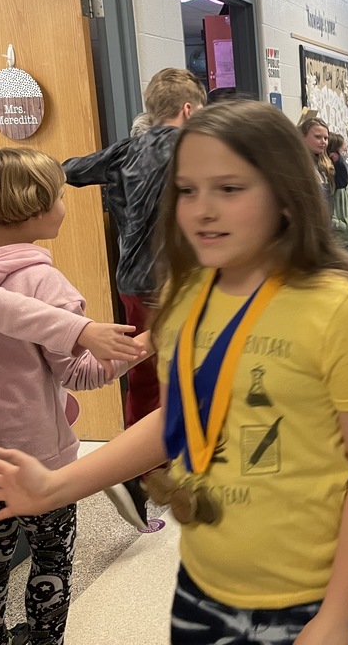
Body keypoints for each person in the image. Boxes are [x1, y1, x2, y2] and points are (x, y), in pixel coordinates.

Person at [0, 100, 348, 645]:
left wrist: (335, 615)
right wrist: (55, 486)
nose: (202, 209)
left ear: (285, 195)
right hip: (205, 586)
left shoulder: (342, 308)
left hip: (310, 595)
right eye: (187, 190)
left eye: (230, 189)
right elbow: (180, 419)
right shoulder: (189, 297)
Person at [0, 148, 152, 645]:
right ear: (35, 208)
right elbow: (80, 374)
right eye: (60, 196)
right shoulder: (44, 282)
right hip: (39, 454)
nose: (65, 205)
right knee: (52, 554)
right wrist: (139, 351)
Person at [62, 67, 206, 526]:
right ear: (188, 109)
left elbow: (67, 170)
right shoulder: (196, 149)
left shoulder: (125, 150)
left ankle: (138, 472)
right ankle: (177, 470)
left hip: (132, 283)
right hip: (178, 282)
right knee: (190, 376)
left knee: (143, 376)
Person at [300, 117, 334, 208]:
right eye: (318, 137)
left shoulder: (324, 166)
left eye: (326, 138)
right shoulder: (298, 166)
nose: (323, 142)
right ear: (303, 137)